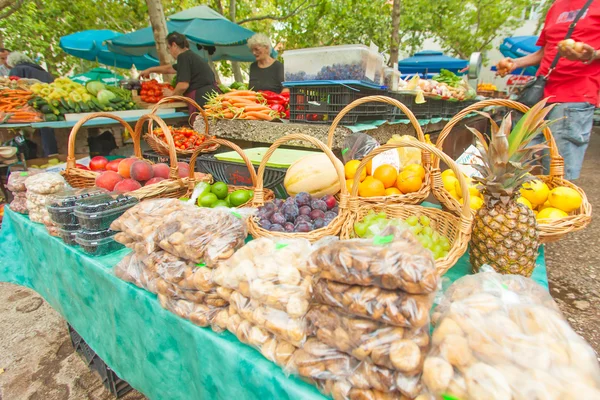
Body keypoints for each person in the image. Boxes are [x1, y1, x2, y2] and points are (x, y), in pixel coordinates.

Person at [496, 0, 600, 180]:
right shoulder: (556, 6)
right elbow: (545, 52)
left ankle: (560, 207)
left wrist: (594, 55)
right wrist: (516, 63)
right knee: (517, 161)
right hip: (540, 95)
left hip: (575, 96)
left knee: (557, 169)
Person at [139, 32, 220, 117]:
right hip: (210, 96)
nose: (169, 52)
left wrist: (173, 94)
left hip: (200, 99)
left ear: (174, 45)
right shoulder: (190, 56)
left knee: (202, 126)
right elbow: (169, 69)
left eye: (168, 48)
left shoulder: (183, 57)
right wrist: (150, 70)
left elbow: (183, 85)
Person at [7, 52, 58, 156]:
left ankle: (34, 157)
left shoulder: (17, 70)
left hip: (31, 107)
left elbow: (12, 88)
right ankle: (52, 154)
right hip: (49, 104)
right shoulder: (42, 71)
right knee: (47, 129)